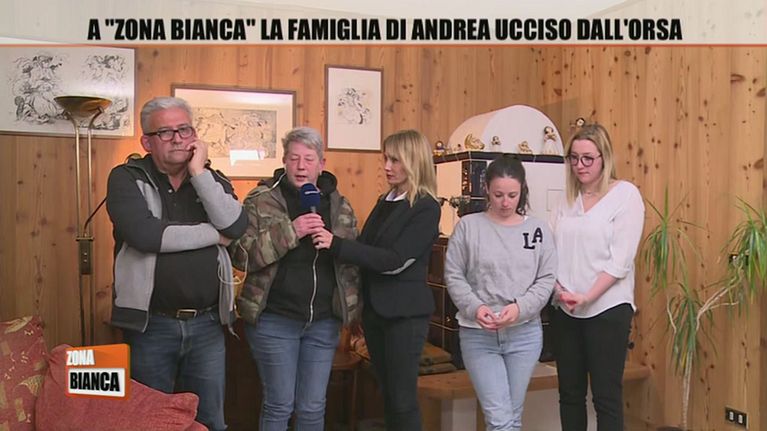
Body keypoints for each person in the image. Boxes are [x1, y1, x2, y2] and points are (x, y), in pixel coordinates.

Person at [106, 96, 248, 431]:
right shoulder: (126, 177)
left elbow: (235, 226)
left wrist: (199, 172)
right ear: (147, 142)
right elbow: (146, 235)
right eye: (166, 132)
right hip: (152, 326)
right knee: (149, 421)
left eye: (184, 130)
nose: (178, 139)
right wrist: (213, 234)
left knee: (209, 420)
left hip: (208, 325)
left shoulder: (212, 179)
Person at [230, 126, 361, 431]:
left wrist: (354, 312)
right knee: (279, 405)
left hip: (324, 322)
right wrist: (292, 231)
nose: (301, 166)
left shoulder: (340, 205)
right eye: (294, 158)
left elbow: (352, 263)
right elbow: (242, 256)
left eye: (309, 159)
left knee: (313, 408)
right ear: (285, 161)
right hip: (275, 320)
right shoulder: (261, 199)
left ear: (321, 164)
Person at [313, 129, 440, 431]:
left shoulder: (426, 207)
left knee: (402, 400)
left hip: (404, 317)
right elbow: (367, 247)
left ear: (414, 161)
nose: (387, 167)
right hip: (377, 313)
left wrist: (335, 244)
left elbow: (393, 261)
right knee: (388, 394)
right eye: (386, 159)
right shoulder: (387, 199)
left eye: (395, 160)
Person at [444, 155, 556, 431]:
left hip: (524, 334)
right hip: (478, 334)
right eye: (498, 195)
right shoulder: (468, 227)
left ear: (522, 191)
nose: (505, 202)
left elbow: (546, 279)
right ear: (486, 190)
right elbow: (454, 275)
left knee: (511, 417)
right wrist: (476, 307)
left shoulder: (538, 230)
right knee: (499, 419)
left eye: (512, 195)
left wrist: (519, 308)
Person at [549, 123, 645, 431]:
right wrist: (559, 289)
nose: (580, 165)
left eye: (588, 158)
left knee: (605, 398)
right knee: (570, 395)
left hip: (607, 309)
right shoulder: (565, 200)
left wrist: (587, 296)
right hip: (566, 309)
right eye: (574, 158)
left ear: (605, 158)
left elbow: (621, 261)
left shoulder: (625, 195)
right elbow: (549, 253)